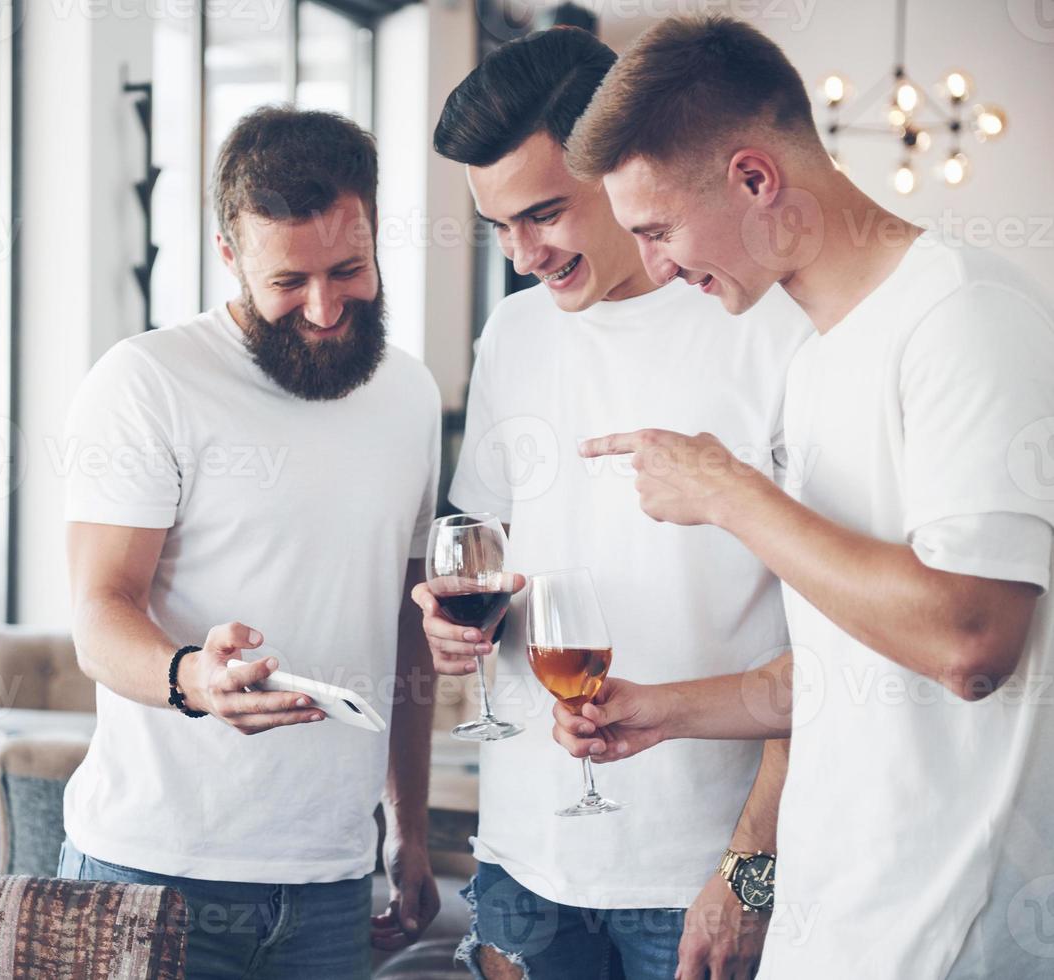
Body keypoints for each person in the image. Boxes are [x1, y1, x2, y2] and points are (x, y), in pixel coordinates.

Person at [556, 15, 1054, 978]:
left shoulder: (964, 315)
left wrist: (728, 493)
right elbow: (840, 670)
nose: (654, 266)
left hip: (951, 937)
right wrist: (666, 712)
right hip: (831, 924)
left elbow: (969, 642)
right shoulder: (817, 360)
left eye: (657, 230)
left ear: (753, 177)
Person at [412, 28, 811, 980]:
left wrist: (750, 873)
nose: (521, 255)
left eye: (543, 213)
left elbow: (835, 647)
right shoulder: (512, 333)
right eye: (499, 227)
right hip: (522, 857)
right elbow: (489, 542)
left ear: (617, 163)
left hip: (706, 867)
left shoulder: (767, 323)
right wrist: (453, 618)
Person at [60, 106, 442, 979]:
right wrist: (194, 679)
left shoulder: (409, 396)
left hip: (329, 881)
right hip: (147, 874)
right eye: (288, 281)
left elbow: (404, 625)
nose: (323, 306)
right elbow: (99, 611)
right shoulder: (148, 380)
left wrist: (408, 830)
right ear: (228, 257)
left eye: (349, 269)